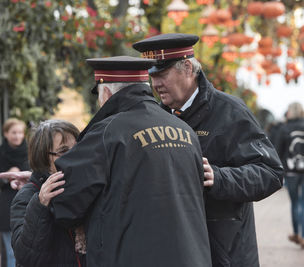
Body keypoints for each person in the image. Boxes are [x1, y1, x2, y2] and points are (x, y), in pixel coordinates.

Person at [133, 33, 284, 267]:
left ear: (187, 68)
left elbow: (271, 173)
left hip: (225, 254)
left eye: (162, 74)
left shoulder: (230, 111)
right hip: (175, 251)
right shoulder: (154, 118)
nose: (155, 84)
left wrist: (218, 177)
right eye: (151, 77)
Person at [50, 56, 212, 267]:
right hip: (191, 258)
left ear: (106, 93)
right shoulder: (185, 131)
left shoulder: (107, 132)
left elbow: (65, 201)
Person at [10, 120, 85, 267]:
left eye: (77, 148)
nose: (74, 155)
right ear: (44, 157)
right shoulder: (27, 196)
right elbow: (26, 258)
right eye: (64, 151)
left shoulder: (85, 187)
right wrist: (40, 204)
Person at [276, 102, 304, 250]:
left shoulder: (284, 128)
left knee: (295, 203)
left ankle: (296, 233)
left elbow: (278, 150)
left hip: (291, 171)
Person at [0, 118, 29, 267]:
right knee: (10, 253)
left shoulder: (30, 152)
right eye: (13, 133)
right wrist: (6, 176)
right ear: (6, 134)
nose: (17, 136)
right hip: (6, 208)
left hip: (27, 207)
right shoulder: (1, 153)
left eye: (20, 132)